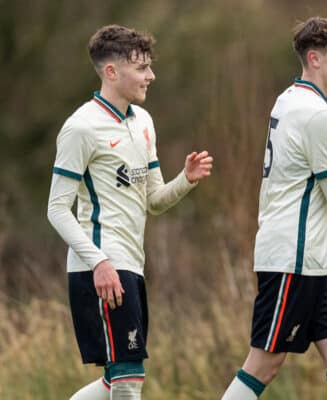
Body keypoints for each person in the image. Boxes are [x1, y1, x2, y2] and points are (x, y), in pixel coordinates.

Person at [221, 17, 327, 400]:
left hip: (318, 259)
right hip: (291, 259)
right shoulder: (317, 114)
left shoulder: (289, 99)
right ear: (315, 58)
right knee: (265, 363)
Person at [47, 25, 213, 400]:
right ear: (111, 72)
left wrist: (185, 180)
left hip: (130, 265)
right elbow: (57, 209)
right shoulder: (81, 127)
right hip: (101, 266)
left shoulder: (143, 122)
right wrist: (99, 263)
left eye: (149, 67)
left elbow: (153, 200)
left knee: (118, 378)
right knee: (127, 378)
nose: (150, 76)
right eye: (141, 68)